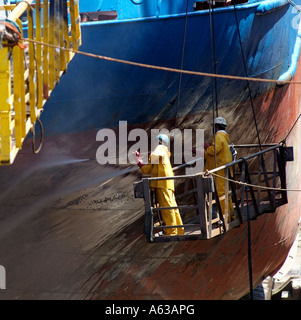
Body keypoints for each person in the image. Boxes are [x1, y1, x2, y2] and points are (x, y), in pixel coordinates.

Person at [136, 134, 184, 236]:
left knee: (166, 207)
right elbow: (148, 169)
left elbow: (154, 155)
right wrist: (139, 161)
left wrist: (150, 155)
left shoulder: (160, 148)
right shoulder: (162, 153)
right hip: (166, 182)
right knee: (172, 206)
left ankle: (171, 231)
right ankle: (178, 229)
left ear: (159, 141)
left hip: (162, 183)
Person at [204, 116, 234, 217]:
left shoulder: (218, 136)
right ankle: (231, 215)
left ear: (216, 127)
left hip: (220, 168)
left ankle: (226, 217)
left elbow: (215, 150)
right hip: (224, 167)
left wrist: (208, 147)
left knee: (221, 194)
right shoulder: (223, 137)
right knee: (226, 192)